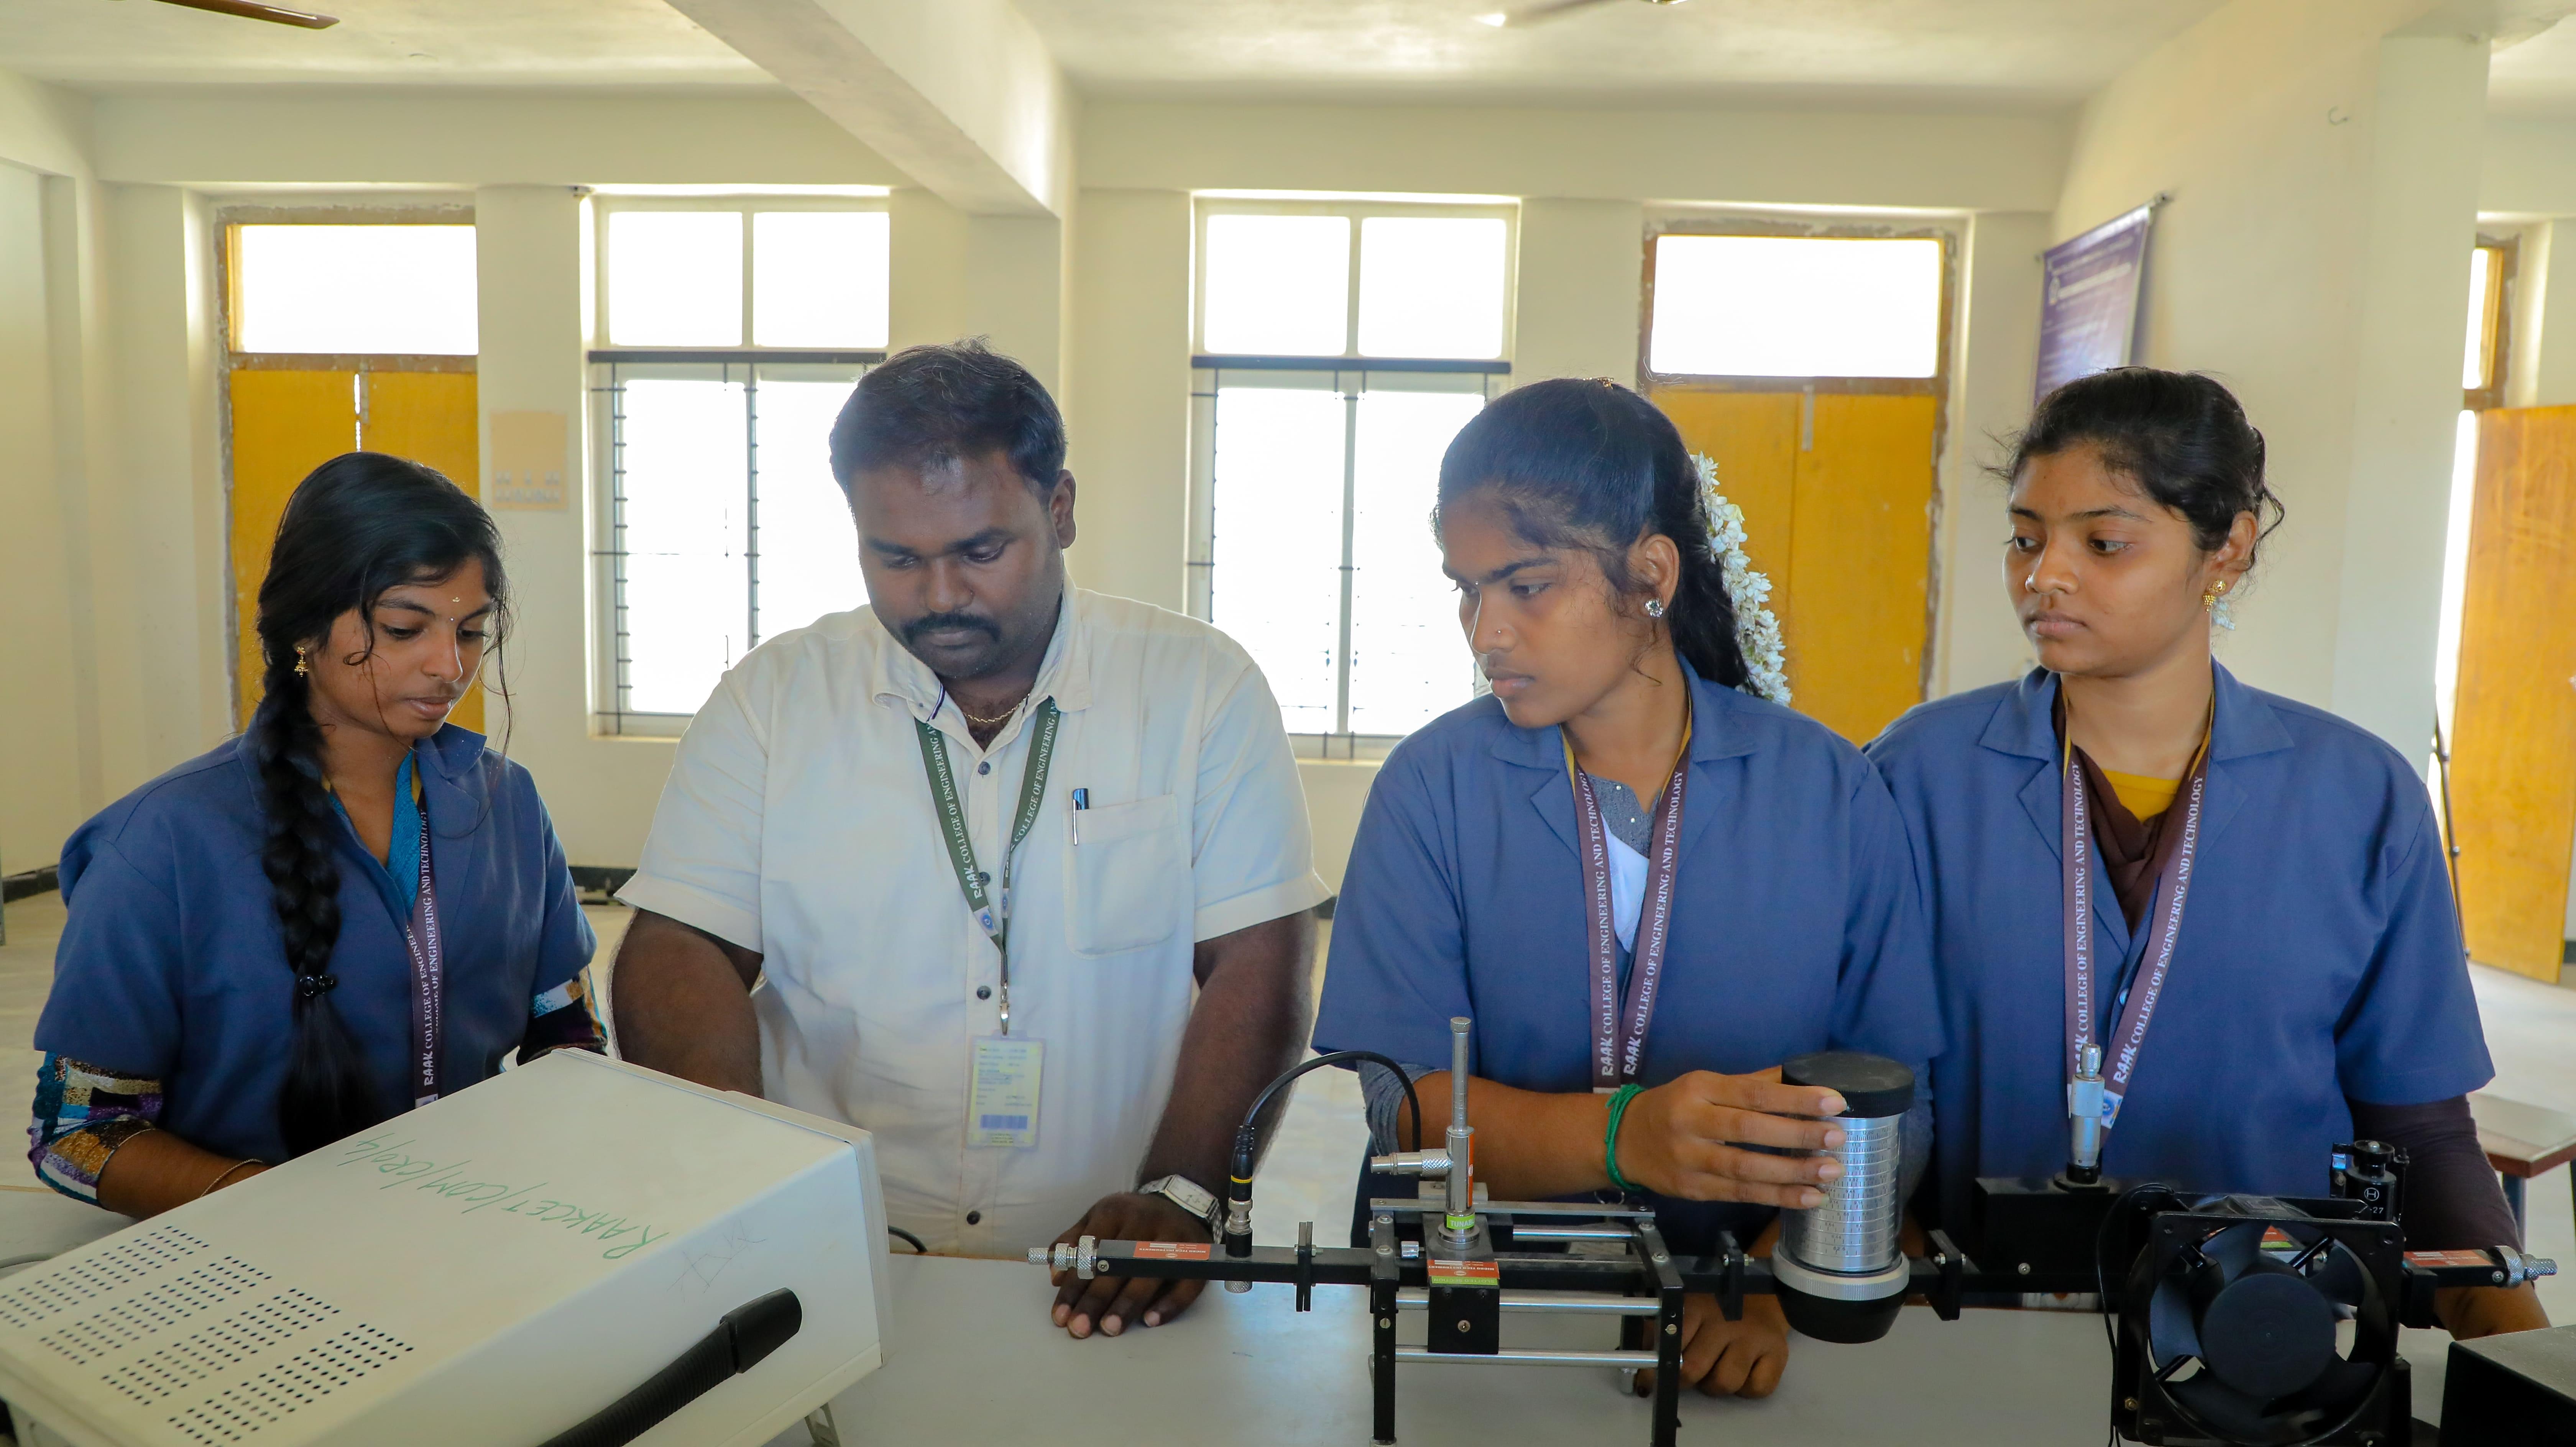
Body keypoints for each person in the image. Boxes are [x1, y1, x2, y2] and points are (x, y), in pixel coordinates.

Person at [611, 340, 1327, 1342]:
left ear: (1061, 508)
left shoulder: (1198, 691)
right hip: (832, 1254)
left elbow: (1258, 957)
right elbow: (678, 949)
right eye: (896, 559)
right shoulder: (776, 701)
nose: (939, 594)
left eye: (981, 551)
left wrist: (1183, 1194)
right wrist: (743, 1182)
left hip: (1107, 1260)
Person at [1867, 367, 2546, 1339]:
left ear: (2226, 547)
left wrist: (2523, 1348)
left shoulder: (2360, 798)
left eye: (2103, 542)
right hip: (1978, 1330)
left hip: (2267, 1347)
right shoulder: (1918, 774)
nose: (2044, 574)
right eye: (2025, 537)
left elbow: (2423, 1128)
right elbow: (1866, 1097)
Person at [1311, 378, 1944, 1399]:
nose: (1486, 632)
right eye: (1465, 590)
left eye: (1526, 586)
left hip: (1739, 1304)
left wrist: (1768, 1279)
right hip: (1480, 1307)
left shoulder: (1825, 789)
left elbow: (1892, 1098)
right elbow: (1404, 1105)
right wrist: (1626, 1137)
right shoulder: (1434, 789)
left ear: (1649, 574)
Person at [30, 453, 603, 1217]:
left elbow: (569, 1034)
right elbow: (76, 1135)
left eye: (471, 631)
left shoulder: (508, 805)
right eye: (405, 627)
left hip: (467, 1225)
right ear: (305, 627)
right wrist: (290, 1212)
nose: (448, 665)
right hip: (250, 1257)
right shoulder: (164, 842)